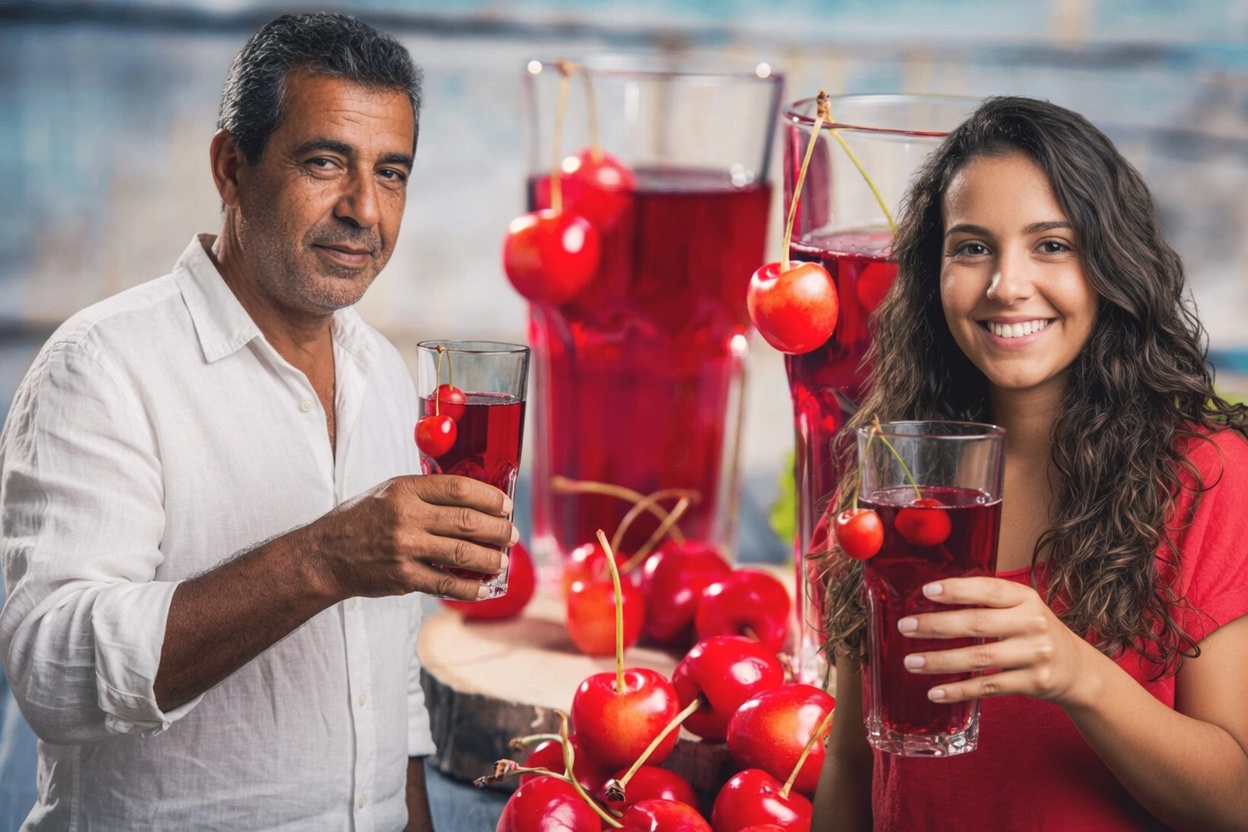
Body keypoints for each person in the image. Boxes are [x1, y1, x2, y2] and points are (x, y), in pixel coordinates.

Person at [0, 13, 515, 831]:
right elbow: (53, 676)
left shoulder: (385, 373)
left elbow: (385, 684)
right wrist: (324, 558)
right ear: (230, 168)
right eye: (324, 162)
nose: (364, 211)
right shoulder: (100, 366)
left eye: (391, 174)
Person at [811, 96, 1248, 831]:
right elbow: (853, 769)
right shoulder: (891, 472)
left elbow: (1236, 803)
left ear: (1111, 264)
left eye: (1051, 245)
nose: (1007, 285)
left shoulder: (1207, 477)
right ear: (932, 273)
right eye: (972, 247)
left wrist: (1079, 676)